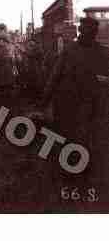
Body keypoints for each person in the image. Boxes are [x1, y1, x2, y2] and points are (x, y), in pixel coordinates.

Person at [42, 17, 109, 203]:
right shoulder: (75, 51)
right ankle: (74, 174)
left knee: (81, 139)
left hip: (85, 106)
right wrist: (46, 99)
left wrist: (45, 99)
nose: (87, 33)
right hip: (72, 105)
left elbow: (54, 77)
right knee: (76, 139)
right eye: (86, 30)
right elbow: (55, 76)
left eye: (90, 30)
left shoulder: (99, 53)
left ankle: (78, 173)